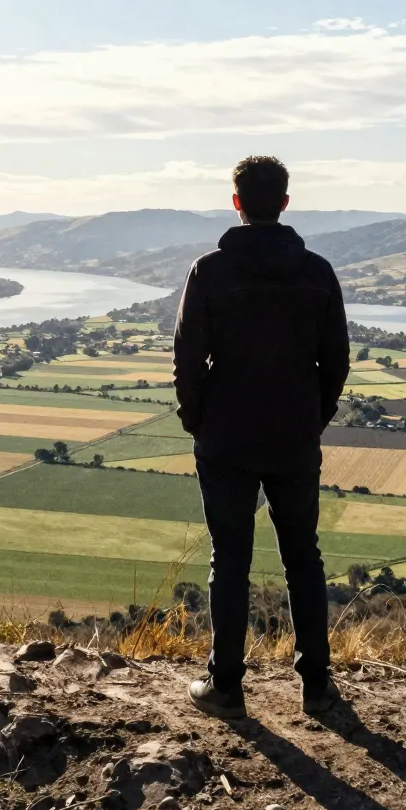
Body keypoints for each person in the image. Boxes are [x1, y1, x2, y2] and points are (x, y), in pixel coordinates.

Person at [172, 155, 350, 718]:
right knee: (304, 555)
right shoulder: (317, 272)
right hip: (294, 436)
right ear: (286, 202)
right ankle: (316, 686)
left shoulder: (210, 271)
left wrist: (197, 419)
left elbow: (186, 358)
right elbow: (337, 362)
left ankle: (225, 685)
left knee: (230, 558)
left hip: (225, 436)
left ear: (236, 202)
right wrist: (309, 418)